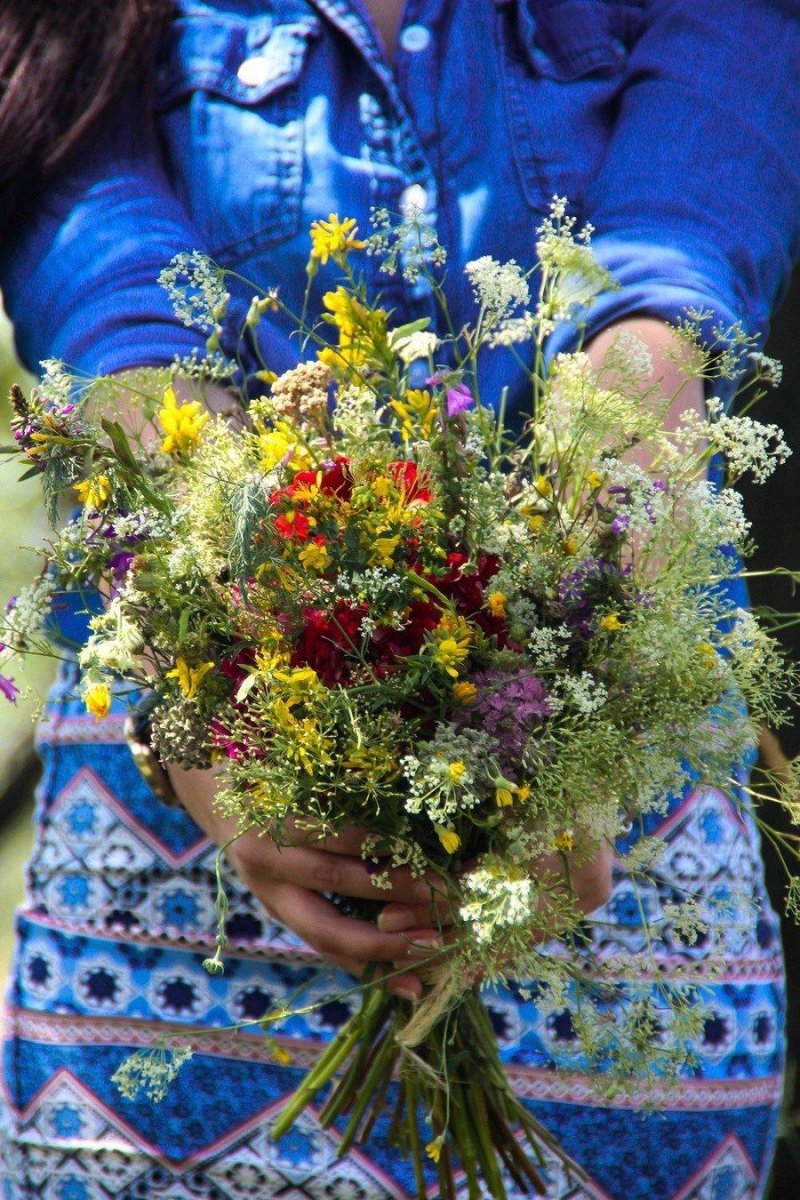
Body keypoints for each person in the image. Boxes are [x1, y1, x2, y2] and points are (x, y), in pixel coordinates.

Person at [0, 1, 798, 1196]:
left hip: (616, 842)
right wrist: (217, 683)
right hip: (183, 832)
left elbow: (673, 258)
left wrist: (577, 706)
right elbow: (116, 314)